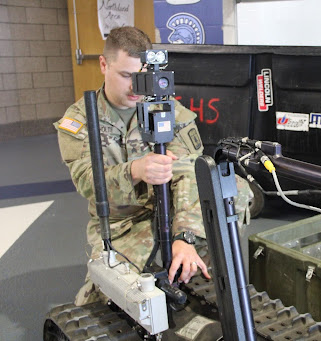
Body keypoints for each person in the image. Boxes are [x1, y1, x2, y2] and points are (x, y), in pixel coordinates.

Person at [54, 26, 252, 306]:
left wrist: (185, 236)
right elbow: (87, 182)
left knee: (232, 188)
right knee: (105, 304)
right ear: (103, 64)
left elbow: (188, 173)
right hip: (123, 223)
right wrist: (135, 170)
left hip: (172, 209)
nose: (136, 87)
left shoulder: (166, 108)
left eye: (144, 76)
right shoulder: (79, 121)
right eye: (126, 75)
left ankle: (194, 263)